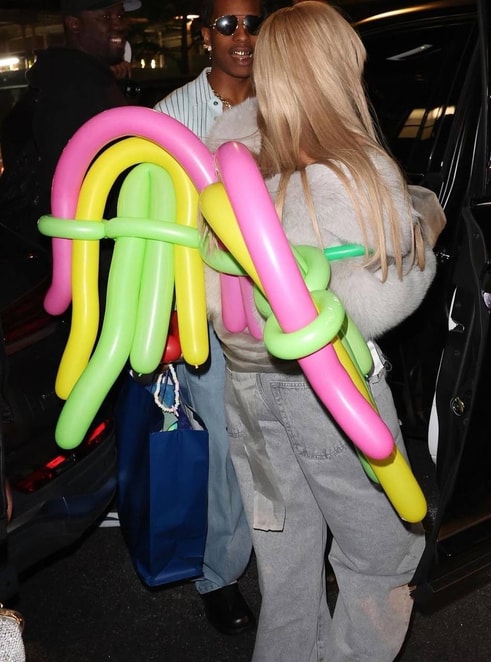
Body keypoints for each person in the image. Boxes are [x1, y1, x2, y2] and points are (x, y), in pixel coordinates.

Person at [201, 2, 440, 659]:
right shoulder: (353, 175)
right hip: (327, 389)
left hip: (247, 390)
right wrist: (421, 243)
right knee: (384, 556)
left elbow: (221, 298)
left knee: (286, 566)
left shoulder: (226, 164)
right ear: (337, 71)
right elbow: (374, 306)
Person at [152, 0, 264, 636]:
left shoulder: (283, 99)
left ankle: (287, 559)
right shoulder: (174, 114)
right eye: (227, 24)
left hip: (280, 301)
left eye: (253, 23)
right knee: (225, 445)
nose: (242, 36)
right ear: (204, 35)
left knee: (283, 438)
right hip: (206, 306)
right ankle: (220, 574)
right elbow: (153, 220)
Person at [0, 0, 140, 249]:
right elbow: (74, 184)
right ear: (74, 24)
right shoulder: (75, 87)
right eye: (106, 17)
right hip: (88, 247)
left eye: (120, 15)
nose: (119, 25)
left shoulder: (71, 76)